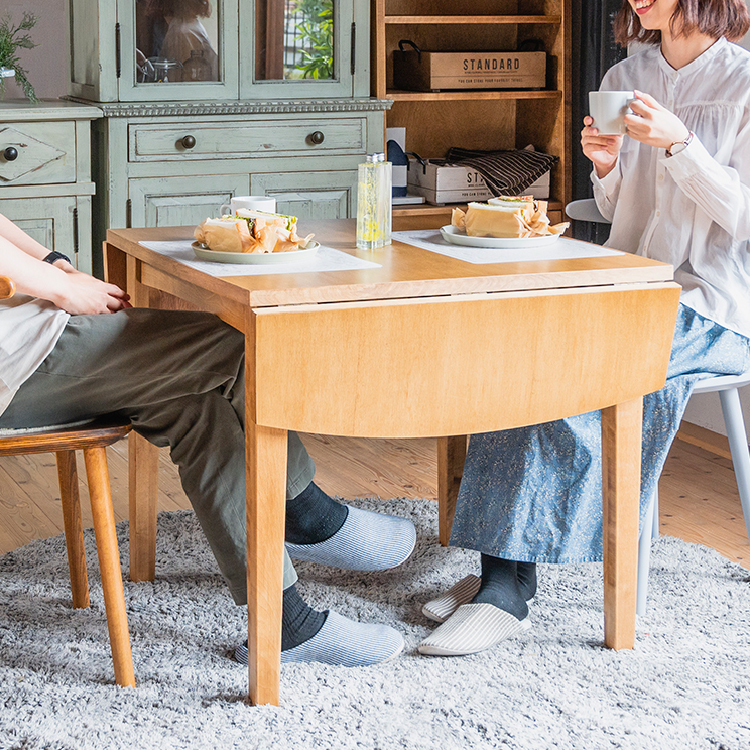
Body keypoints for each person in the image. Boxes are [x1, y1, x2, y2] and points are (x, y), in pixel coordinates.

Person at [417, 0, 750, 657]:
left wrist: (681, 146)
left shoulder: (742, 83)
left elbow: (742, 218)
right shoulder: (632, 71)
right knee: (513, 345)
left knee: (574, 361)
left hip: (713, 305)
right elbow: (619, 209)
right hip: (628, 285)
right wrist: (607, 166)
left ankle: (506, 590)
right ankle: (504, 574)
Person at [0, 212, 416, 667]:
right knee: (241, 346)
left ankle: (285, 625)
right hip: (15, 355)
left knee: (199, 406)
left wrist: (55, 263)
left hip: (26, 329)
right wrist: (62, 288)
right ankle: (306, 515)